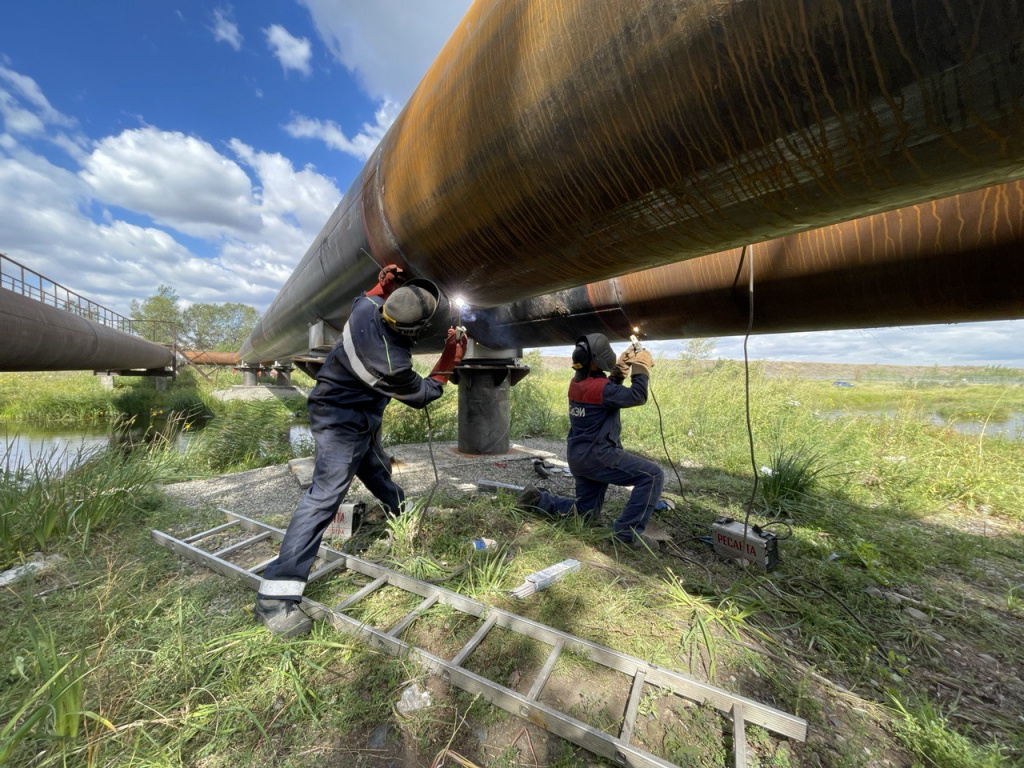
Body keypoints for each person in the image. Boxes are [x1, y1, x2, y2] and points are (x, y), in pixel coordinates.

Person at [255, 265, 466, 636]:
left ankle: (402, 513)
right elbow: (426, 393)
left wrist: (383, 283)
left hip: (348, 411)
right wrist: (451, 355)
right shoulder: (391, 362)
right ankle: (276, 596)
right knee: (324, 498)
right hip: (342, 423)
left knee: (374, 467)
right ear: (412, 332)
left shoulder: (366, 309)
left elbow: (368, 295)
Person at [518, 334, 663, 549]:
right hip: (599, 457)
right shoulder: (602, 389)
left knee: (586, 514)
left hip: (580, 458)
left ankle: (539, 501)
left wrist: (618, 372)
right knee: (652, 476)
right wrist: (640, 366)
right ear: (597, 360)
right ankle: (626, 535)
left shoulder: (577, 384)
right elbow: (637, 396)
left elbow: (603, 392)